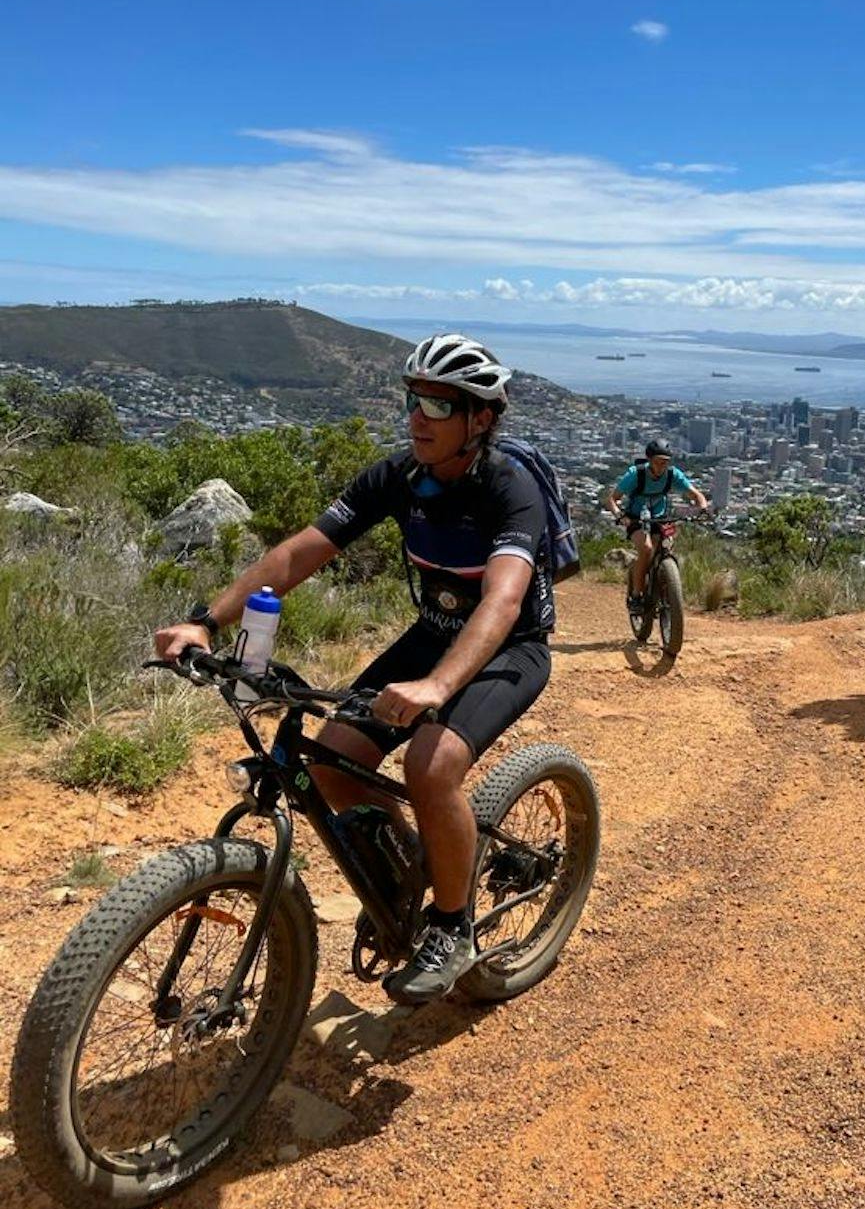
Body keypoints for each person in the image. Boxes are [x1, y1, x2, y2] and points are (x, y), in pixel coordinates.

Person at [154, 333, 554, 1003]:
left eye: (436, 402)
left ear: (480, 419)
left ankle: (453, 927)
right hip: (433, 633)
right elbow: (296, 555)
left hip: (509, 645)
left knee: (430, 765)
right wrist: (206, 620)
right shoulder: (397, 477)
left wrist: (437, 687)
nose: (417, 415)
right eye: (411, 398)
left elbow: (504, 599)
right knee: (334, 759)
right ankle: (416, 868)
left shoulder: (509, 489)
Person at [605, 440, 707, 615]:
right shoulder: (635, 475)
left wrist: (703, 508)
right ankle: (636, 595)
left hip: (660, 518)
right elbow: (612, 499)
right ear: (649, 459)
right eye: (659, 460)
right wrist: (620, 516)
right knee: (646, 549)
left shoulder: (673, 475)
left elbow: (696, 494)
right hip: (636, 519)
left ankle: (666, 585)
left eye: (666, 461)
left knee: (667, 547)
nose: (662, 465)